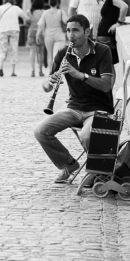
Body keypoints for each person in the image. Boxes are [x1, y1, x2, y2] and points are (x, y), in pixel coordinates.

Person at [33, 14, 113, 187]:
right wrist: (49, 82)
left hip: (99, 108)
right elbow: (45, 86)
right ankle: (68, 165)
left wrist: (80, 75)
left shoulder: (102, 51)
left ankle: (96, 171)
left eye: (75, 30)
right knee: (40, 131)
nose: (71, 35)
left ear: (87, 31)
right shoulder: (63, 53)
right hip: (74, 108)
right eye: (68, 30)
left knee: (86, 134)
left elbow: (107, 85)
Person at [93, 0, 128, 64]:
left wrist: (119, 22)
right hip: (103, 37)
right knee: (107, 68)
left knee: (107, 68)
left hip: (107, 38)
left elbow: (124, 6)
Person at [0, 0, 29, 77]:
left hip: (2, 30)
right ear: (12, 0)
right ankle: (13, 71)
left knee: (2, 50)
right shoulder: (16, 8)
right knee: (14, 50)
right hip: (14, 30)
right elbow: (26, 17)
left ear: (4, 0)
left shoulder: (0, 8)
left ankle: (0, 67)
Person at [37, 0, 69, 64]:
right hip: (59, 35)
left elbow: (41, 25)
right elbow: (66, 21)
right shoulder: (61, 12)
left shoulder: (45, 13)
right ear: (57, 3)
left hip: (48, 35)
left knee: (50, 55)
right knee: (57, 54)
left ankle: (50, 72)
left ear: (49, 3)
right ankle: (55, 71)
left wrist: (38, 35)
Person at [26, 0, 45, 77]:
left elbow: (27, 22)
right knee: (40, 52)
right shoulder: (44, 12)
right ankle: (40, 70)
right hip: (41, 33)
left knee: (32, 51)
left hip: (31, 32)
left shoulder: (29, 12)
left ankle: (32, 70)